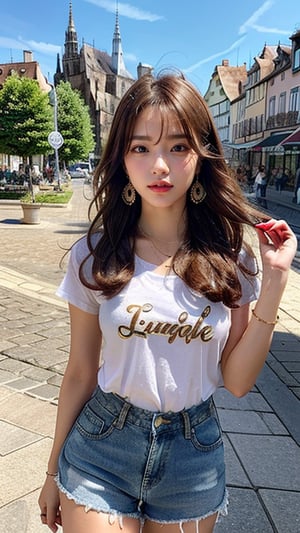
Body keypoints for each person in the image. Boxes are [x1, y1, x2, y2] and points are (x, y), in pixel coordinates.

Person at [38, 72, 297, 533]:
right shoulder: (95, 254)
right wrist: (52, 470)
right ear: (121, 155)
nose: (159, 165)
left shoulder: (230, 259)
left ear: (201, 156)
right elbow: (79, 370)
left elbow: (237, 382)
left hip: (192, 456)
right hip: (101, 443)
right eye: (141, 147)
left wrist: (274, 282)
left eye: (177, 147)